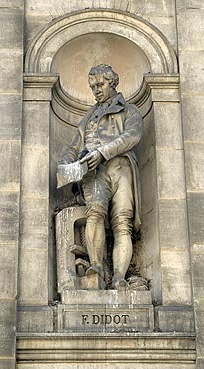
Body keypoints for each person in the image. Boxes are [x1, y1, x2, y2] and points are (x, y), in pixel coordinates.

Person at [59, 64, 142, 289]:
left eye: (100, 84)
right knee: (94, 214)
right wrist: (64, 166)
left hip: (121, 168)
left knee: (122, 222)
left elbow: (132, 135)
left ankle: (119, 277)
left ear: (112, 83)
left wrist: (103, 152)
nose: (95, 90)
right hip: (93, 172)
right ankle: (95, 267)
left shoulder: (129, 110)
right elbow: (74, 147)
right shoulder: (88, 117)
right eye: (92, 86)